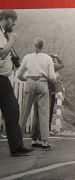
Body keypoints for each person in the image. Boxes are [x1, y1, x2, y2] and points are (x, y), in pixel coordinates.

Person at [0, 9, 33, 156]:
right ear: (6, 18)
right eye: (13, 20)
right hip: (0, 79)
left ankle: (17, 146)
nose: (14, 24)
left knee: (12, 109)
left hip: (2, 78)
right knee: (12, 109)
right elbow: (1, 53)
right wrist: (13, 41)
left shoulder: (3, 34)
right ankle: (16, 147)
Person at [17, 37, 56, 150]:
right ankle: (44, 142)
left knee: (25, 112)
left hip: (30, 83)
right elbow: (52, 77)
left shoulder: (27, 57)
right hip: (42, 83)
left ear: (33, 45)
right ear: (43, 46)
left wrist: (28, 80)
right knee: (43, 113)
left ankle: (18, 140)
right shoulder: (47, 58)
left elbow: (19, 75)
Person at [31, 54, 64, 146]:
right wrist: (56, 56)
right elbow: (62, 65)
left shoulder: (37, 66)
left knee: (36, 115)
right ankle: (43, 140)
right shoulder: (52, 66)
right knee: (44, 116)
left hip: (35, 90)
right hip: (46, 92)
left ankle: (34, 139)